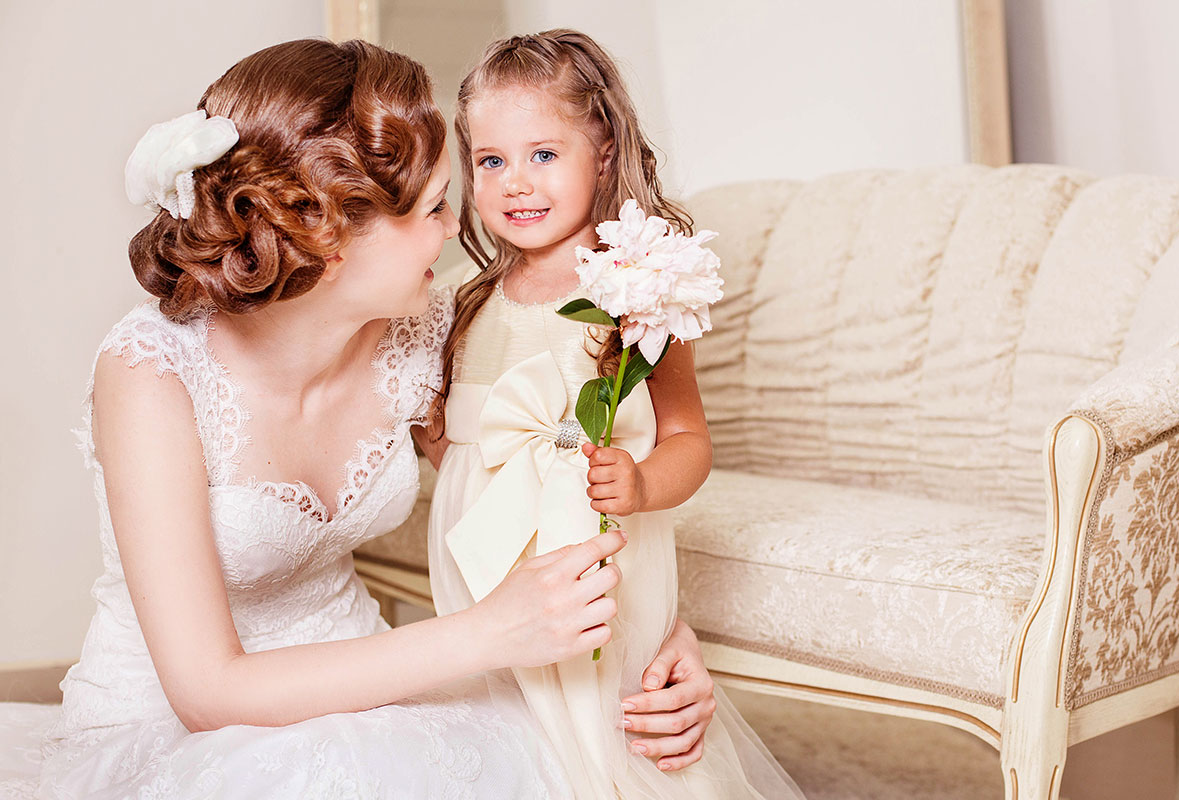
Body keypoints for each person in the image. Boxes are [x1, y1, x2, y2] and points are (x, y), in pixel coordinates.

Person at [3, 38, 718, 798]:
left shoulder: (428, 328)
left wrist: (655, 631)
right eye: (433, 206)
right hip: (178, 726)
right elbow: (209, 693)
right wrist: (488, 633)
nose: (454, 233)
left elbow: (549, 477)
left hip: (375, 687)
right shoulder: (151, 373)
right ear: (330, 232)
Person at [425, 29, 805, 799]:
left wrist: (639, 482)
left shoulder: (638, 289)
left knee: (598, 722)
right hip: (482, 554)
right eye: (491, 161)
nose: (515, 184)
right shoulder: (467, 298)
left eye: (543, 154)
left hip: (595, 550)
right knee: (503, 724)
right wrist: (443, 446)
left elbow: (690, 439)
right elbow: (469, 435)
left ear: (601, 152)